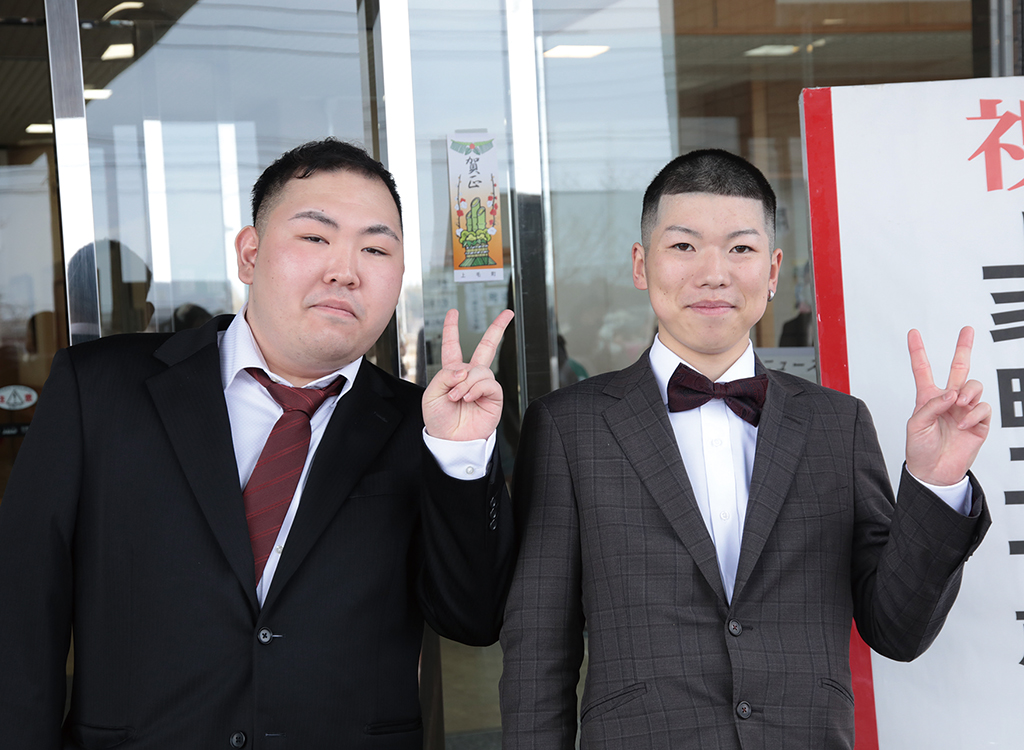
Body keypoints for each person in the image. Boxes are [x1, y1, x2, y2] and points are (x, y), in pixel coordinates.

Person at [0, 138, 515, 749]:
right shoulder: (100, 390)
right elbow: (22, 609)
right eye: (315, 237)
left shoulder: (423, 427)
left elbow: (473, 620)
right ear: (249, 254)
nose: (345, 270)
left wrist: (459, 460)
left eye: (376, 249)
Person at [499, 148, 991, 749]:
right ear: (641, 264)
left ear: (774, 269)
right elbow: (538, 655)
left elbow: (898, 629)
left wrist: (936, 484)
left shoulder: (838, 426)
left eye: (740, 248)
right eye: (684, 246)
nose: (714, 274)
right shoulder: (569, 427)